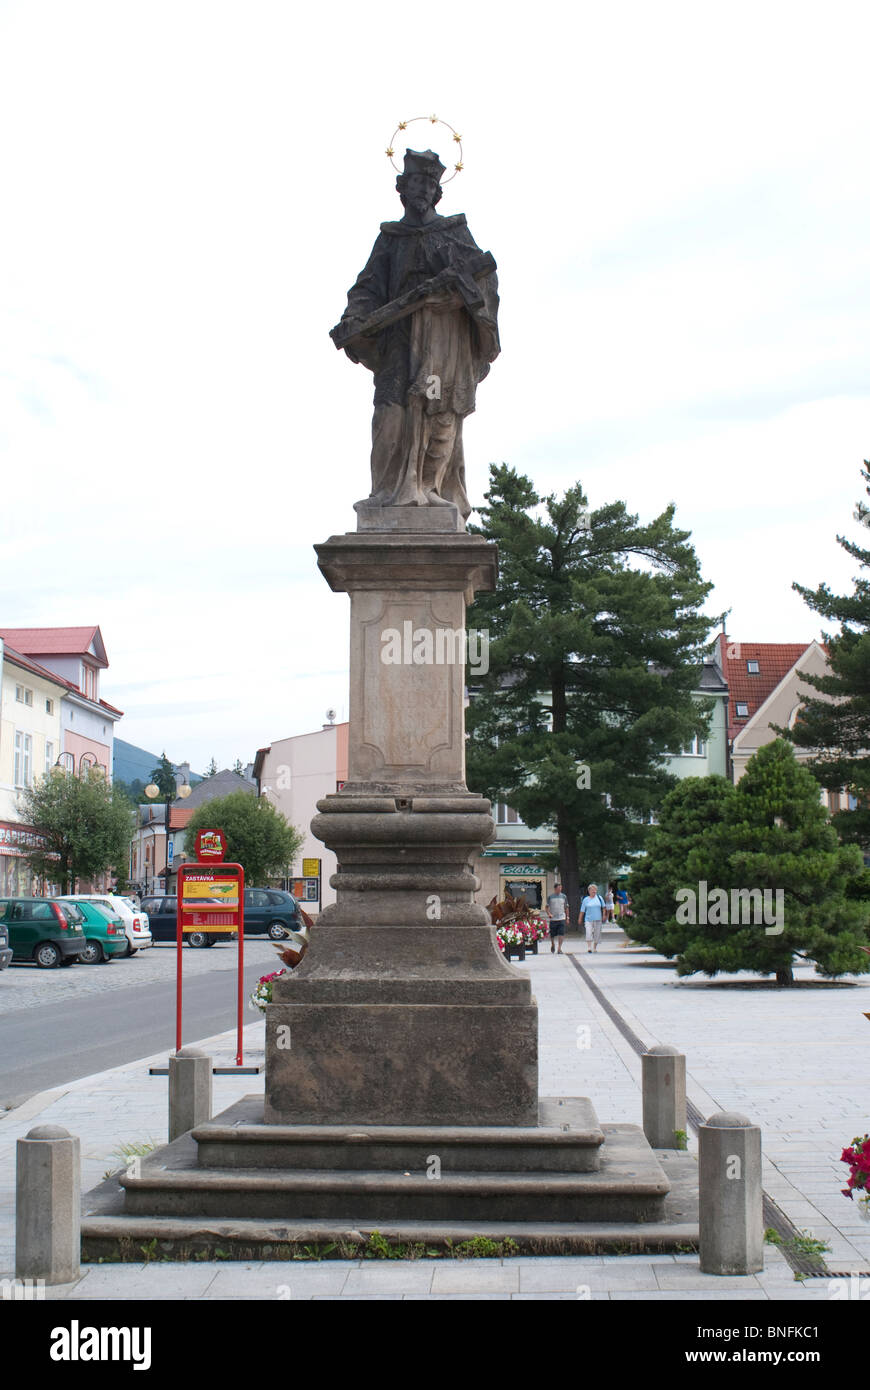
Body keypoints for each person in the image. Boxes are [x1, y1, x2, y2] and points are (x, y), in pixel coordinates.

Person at [333, 148, 500, 520]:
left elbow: (484, 280)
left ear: (437, 193)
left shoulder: (454, 233)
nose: (422, 190)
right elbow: (368, 287)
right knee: (389, 414)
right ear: (402, 188)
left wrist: (456, 297)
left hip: (442, 344)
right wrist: (355, 316)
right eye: (416, 183)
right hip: (399, 343)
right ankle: (387, 493)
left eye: (429, 184)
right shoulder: (391, 239)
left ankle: (428, 489)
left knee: (439, 409)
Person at [580, 883, 606, 953]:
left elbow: (603, 907)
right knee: (588, 932)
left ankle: (594, 947)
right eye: (592, 890)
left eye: (595, 890)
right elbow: (582, 910)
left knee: (597, 934)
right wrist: (580, 918)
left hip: (598, 919)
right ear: (589, 891)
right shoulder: (586, 899)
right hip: (588, 919)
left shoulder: (599, 898)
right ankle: (589, 947)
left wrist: (604, 915)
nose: (594, 891)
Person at [546, 881, 569, 955]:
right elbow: (546, 907)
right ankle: (553, 944)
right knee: (552, 934)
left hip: (561, 917)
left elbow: (566, 907)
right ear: (555, 889)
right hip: (553, 918)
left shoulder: (564, 896)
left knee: (561, 933)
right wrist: (549, 913)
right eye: (558, 888)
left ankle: (559, 948)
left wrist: (567, 917)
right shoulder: (550, 897)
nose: (560, 889)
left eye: (561, 888)